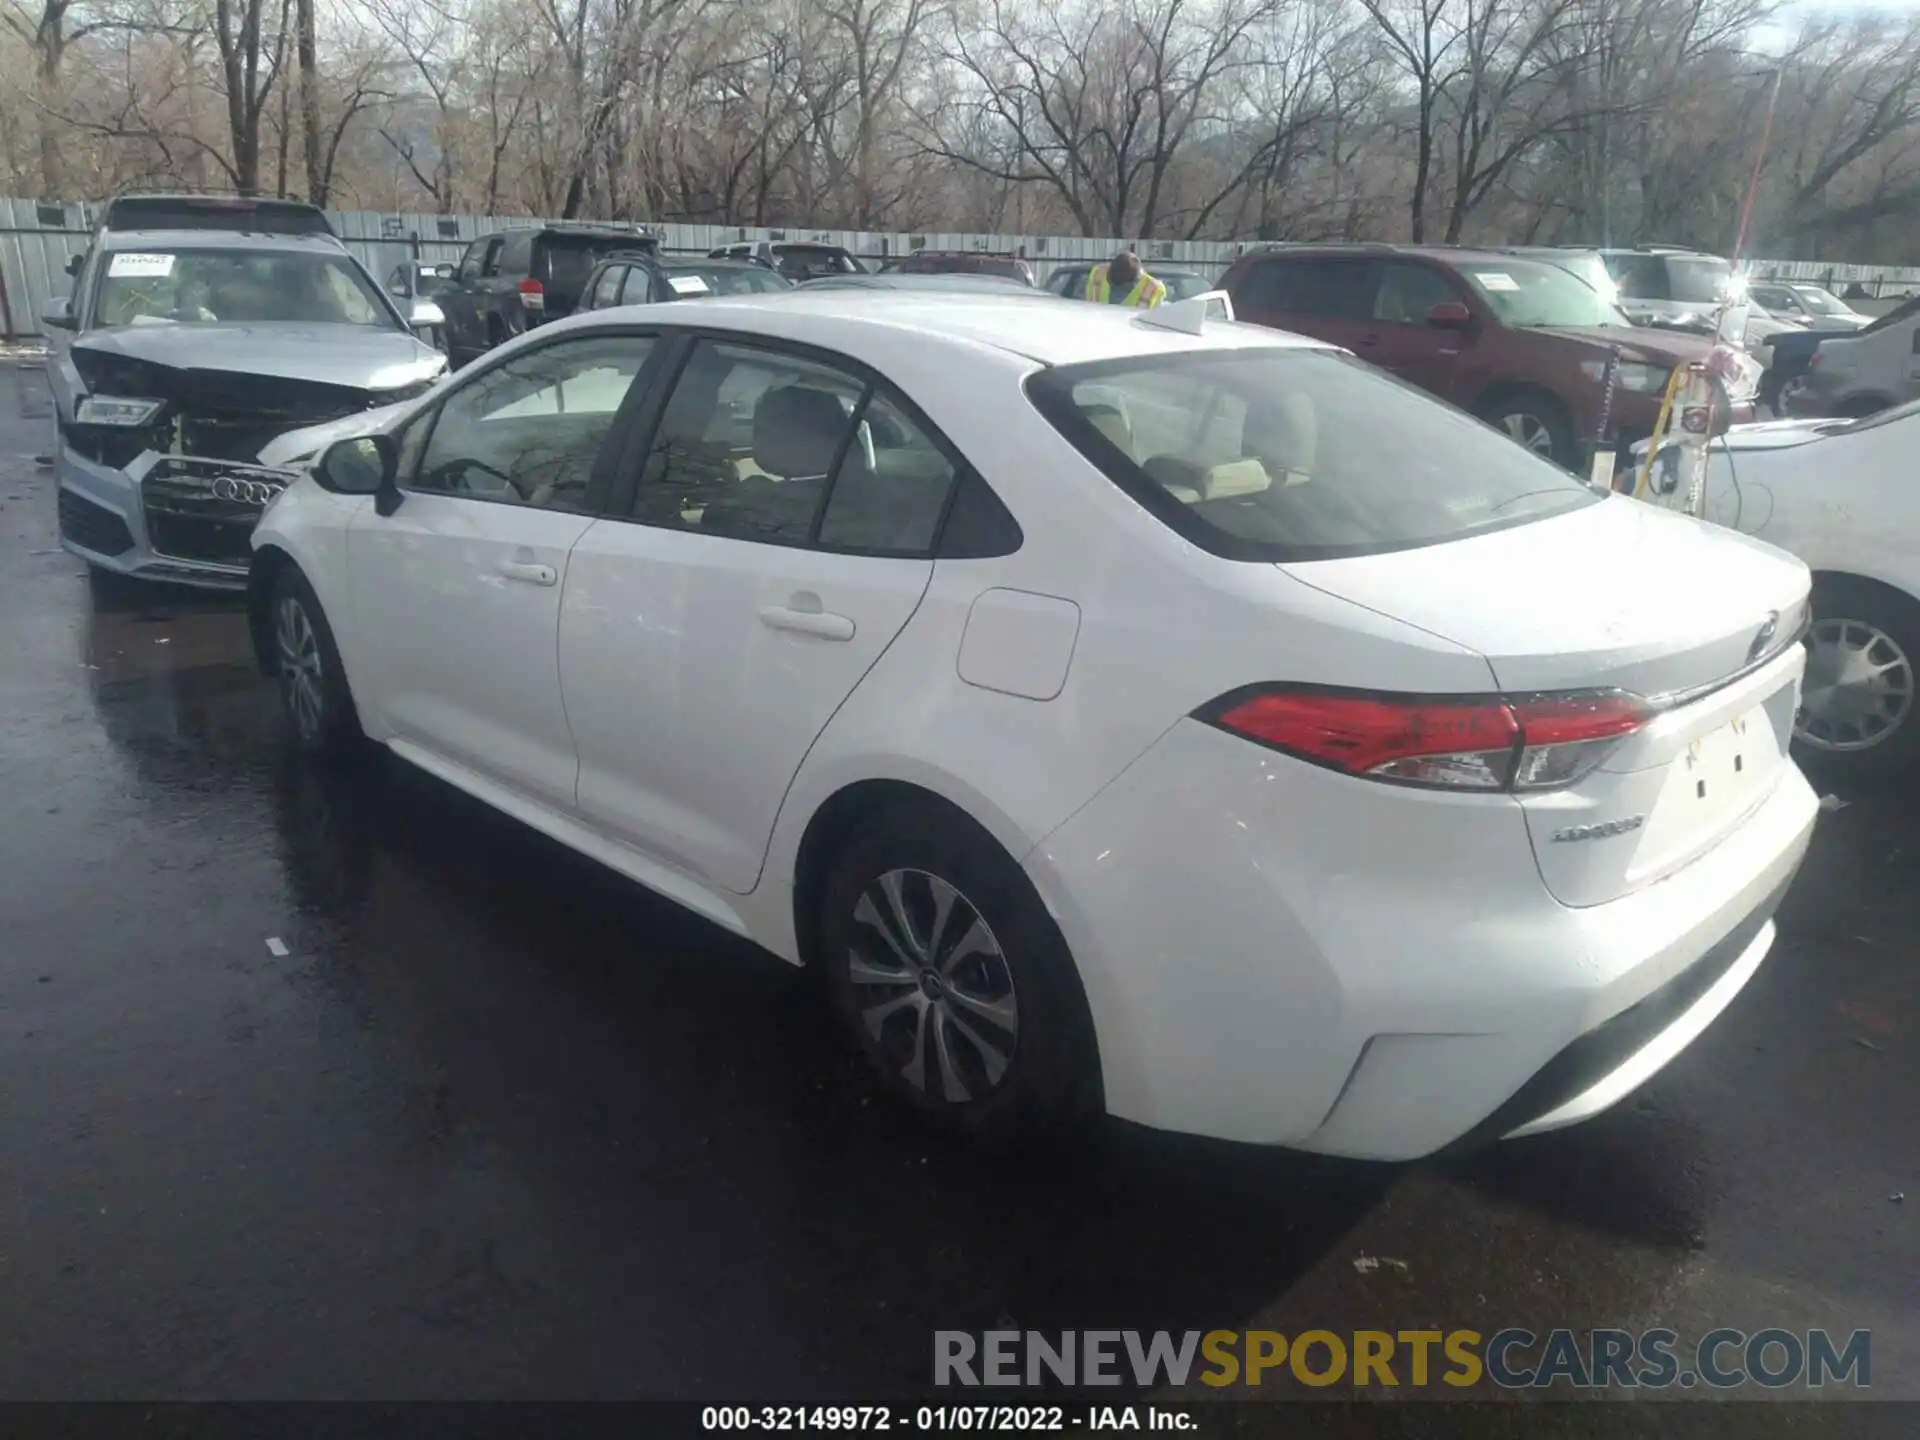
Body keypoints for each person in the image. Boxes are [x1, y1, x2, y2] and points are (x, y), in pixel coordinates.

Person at [1085, 250, 1167, 308]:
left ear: (1135, 281)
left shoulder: (1154, 289)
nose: (1118, 290)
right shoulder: (1098, 273)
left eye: (1123, 287)